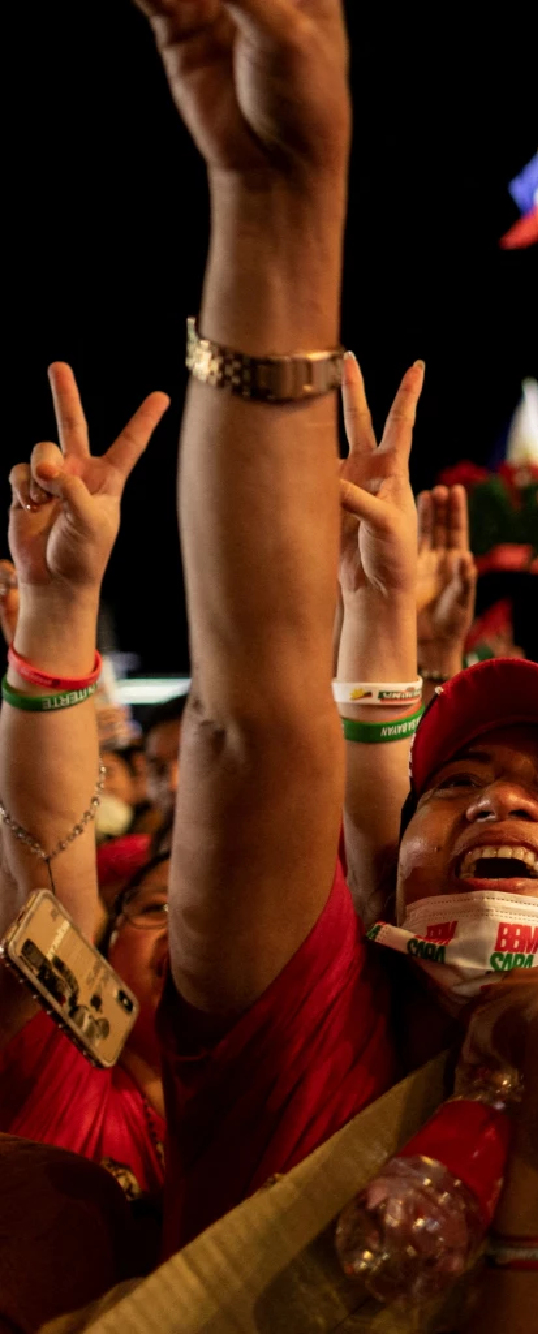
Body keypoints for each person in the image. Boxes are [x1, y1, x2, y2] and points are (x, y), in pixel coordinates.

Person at [131, 10, 538, 1330]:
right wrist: (277, 203)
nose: (501, 797)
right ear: (388, 866)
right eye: (454, 781)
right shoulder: (301, 1031)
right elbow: (253, 722)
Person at [0, 363, 172, 1222]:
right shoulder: (71, 1056)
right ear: (103, 955)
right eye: (154, 909)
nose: (186, 930)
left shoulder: (312, 1108)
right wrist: (60, 607)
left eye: (212, 909)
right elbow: (53, 881)